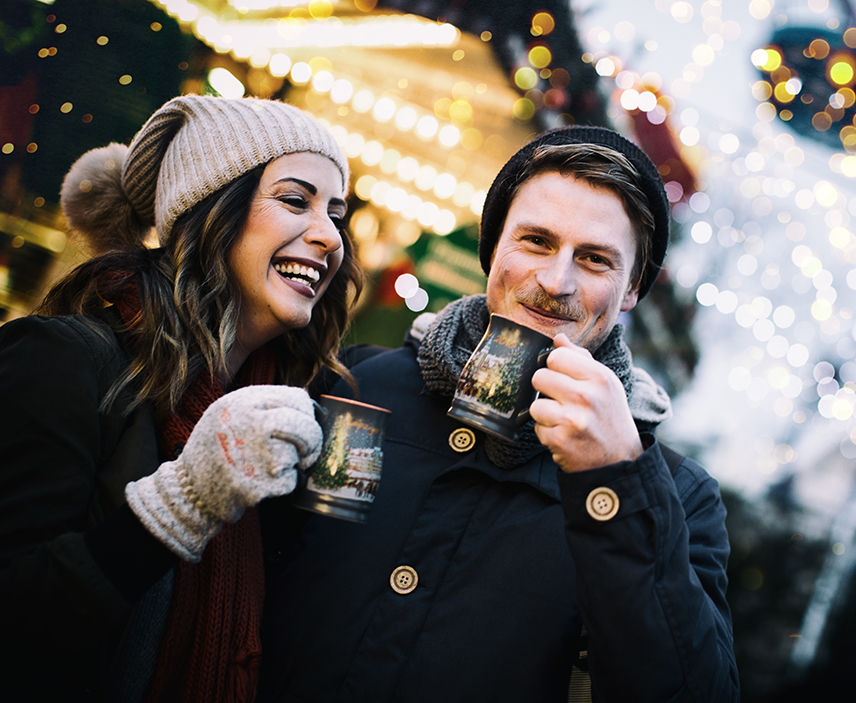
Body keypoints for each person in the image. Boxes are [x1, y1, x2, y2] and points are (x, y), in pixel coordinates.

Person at [259, 126, 740, 701]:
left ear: (632, 288)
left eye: (593, 259)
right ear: (493, 249)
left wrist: (614, 478)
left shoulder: (677, 497)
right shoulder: (365, 390)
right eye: (536, 241)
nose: (555, 281)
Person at [0, 94, 361, 702]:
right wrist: (179, 507)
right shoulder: (61, 359)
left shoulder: (287, 414)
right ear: (210, 211)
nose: (329, 236)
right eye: (296, 201)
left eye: (338, 213)